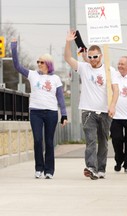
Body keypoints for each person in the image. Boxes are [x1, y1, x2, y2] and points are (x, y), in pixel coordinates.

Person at [64, 30, 119, 180]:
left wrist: (113, 105)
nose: (93, 59)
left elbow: (116, 90)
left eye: (95, 57)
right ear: (87, 56)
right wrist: (68, 41)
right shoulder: (83, 68)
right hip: (88, 111)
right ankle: (91, 167)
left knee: (103, 142)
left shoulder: (109, 70)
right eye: (90, 57)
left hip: (105, 111)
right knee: (91, 140)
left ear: (100, 56)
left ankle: (101, 168)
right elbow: (67, 58)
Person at [11, 39, 68, 179]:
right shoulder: (32, 75)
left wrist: (64, 115)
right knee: (37, 140)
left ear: (48, 64)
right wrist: (13, 47)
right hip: (35, 112)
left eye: (41, 62)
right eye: (38, 62)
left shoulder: (55, 79)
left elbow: (60, 98)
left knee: (49, 142)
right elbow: (17, 66)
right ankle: (39, 168)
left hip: (51, 113)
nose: (39, 64)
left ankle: (49, 171)